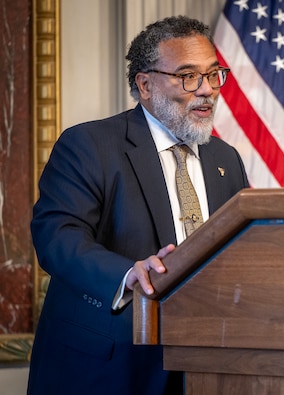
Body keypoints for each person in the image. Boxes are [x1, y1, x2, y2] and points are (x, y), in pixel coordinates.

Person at [27, 16, 250, 395]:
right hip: (108, 365)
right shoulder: (90, 145)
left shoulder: (225, 158)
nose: (207, 91)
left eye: (213, 75)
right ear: (145, 85)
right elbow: (57, 238)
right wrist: (128, 273)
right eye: (188, 76)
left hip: (204, 362)